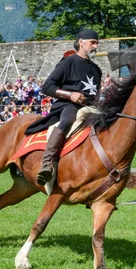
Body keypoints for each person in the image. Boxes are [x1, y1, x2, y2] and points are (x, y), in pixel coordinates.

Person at [25, 29, 102, 186]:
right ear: (81, 42)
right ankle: (47, 163)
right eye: (92, 42)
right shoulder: (68, 63)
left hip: (91, 107)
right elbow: (47, 87)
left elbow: (96, 93)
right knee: (68, 121)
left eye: (97, 43)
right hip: (68, 105)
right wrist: (70, 95)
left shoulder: (96, 70)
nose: (96, 46)